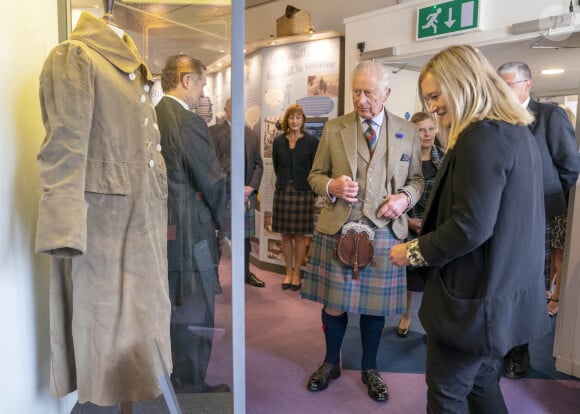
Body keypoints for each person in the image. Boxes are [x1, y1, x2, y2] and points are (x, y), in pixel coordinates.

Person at [390, 45, 551, 413]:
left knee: (447, 396)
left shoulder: (481, 136)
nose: (432, 106)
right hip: (498, 302)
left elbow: (469, 227)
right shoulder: (516, 133)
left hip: (472, 304)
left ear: (461, 82)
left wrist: (412, 252)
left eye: (435, 95)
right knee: (481, 386)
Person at [35, 10, 172, 407]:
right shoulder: (75, 58)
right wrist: (64, 234)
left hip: (140, 232)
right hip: (101, 238)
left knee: (137, 347)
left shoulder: (131, 70)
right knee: (103, 342)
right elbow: (63, 148)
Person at [302, 60, 423, 402]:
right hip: (339, 228)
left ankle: (370, 367)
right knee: (334, 305)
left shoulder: (407, 131)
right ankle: (330, 363)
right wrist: (331, 186)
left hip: (385, 232)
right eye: (356, 91)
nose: (361, 99)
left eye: (368, 92)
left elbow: (417, 180)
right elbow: (314, 176)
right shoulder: (334, 128)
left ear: (386, 93)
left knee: (374, 308)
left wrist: (404, 198)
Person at [497, 61, 580, 379]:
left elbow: (569, 167)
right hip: (504, 216)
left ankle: (521, 351)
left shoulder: (549, 116)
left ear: (527, 84)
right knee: (505, 281)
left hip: (541, 216)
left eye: (508, 84)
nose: (502, 90)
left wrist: (553, 207)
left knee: (532, 286)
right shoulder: (496, 120)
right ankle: (502, 344)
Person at [155, 54, 229, 393]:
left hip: (166, 230)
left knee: (173, 306)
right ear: (186, 79)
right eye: (201, 83)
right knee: (197, 308)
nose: (202, 92)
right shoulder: (188, 122)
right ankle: (190, 383)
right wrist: (225, 220)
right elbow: (212, 181)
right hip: (192, 234)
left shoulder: (156, 116)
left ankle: (174, 375)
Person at [396, 112, 445, 337]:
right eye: (421, 130)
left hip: (436, 228)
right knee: (409, 278)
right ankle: (405, 315)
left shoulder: (445, 159)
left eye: (430, 129)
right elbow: (391, 194)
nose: (426, 134)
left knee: (436, 279)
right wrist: (406, 221)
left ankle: (433, 324)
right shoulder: (402, 160)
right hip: (408, 226)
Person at [210, 98, 265, 288]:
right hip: (224, 194)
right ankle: (214, 279)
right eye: (232, 107)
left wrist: (251, 188)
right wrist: (229, 186)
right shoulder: (214, 133)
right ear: (226, 110)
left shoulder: (250, 135)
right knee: (219, 238)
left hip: (245, 196)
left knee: (245, 238)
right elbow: (211, 165)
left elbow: (258, 165)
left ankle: (245, 274)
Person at [272, 104, 319, 290]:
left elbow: (316, 169)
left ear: (303, 121)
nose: (294, 121)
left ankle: (298, 272)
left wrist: (313, 191)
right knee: (285, 235)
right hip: (283, 190)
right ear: (287, 120)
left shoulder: (311, 141)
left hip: (304, 192)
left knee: (300, 236)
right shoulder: (278, 141)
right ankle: (288, 272)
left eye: (298, 117)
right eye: (291, 117)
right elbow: (277, 166)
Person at [547, 104, 577, 317]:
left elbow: (569, 175)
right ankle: (549, 289)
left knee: (561, 253)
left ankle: (558, 295)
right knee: (553, 252)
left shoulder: (572, 153)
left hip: (566, 208)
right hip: (553, 208)